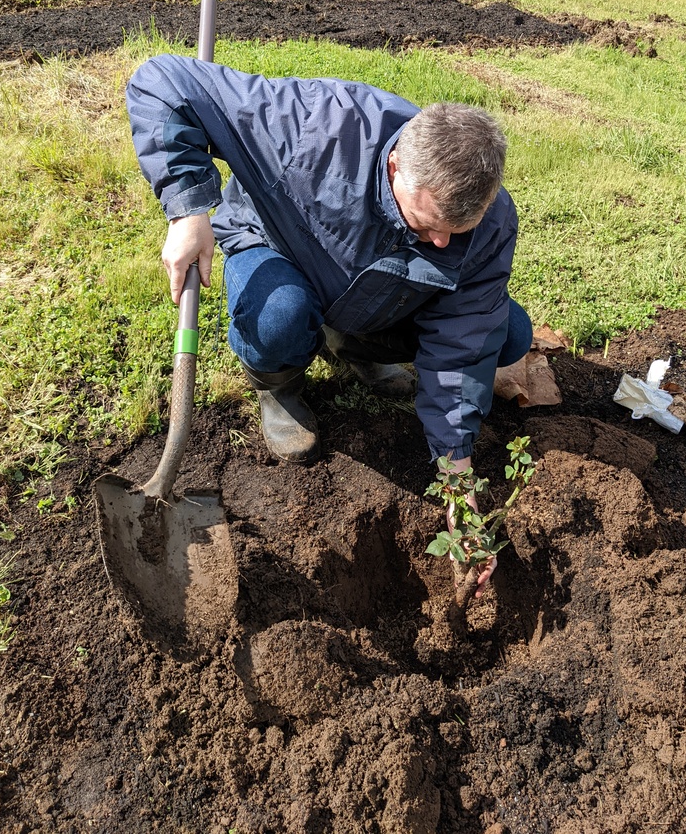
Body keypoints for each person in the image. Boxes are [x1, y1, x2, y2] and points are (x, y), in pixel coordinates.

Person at [127, 54, 532, 597]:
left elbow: (463, 344)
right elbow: (162, 81)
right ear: (395, 171)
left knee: (507, 333)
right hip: (281, 250)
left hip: (381, 294)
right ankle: (280, 387)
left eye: (459, 229)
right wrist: (187, 209)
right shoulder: (311, 125)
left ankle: (355, 344)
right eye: (432, 224)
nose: (443, 242)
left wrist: (460, 491)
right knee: (279, 318)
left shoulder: (488, 223)